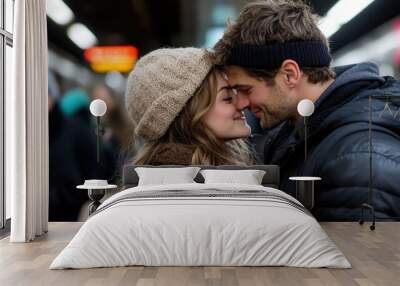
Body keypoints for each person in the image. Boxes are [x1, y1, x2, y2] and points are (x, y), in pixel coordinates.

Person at [212, 0, 400, 220]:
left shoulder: (356, 161)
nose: (241, 103)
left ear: (290, 74)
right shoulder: (297, 133)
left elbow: (355, 253)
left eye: (246, 89)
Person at [125, 47, 255, 166]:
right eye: (227, 98)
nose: (243, 103)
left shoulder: (213, 167)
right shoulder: (178, 185)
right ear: (188, 112)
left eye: (236, 91)